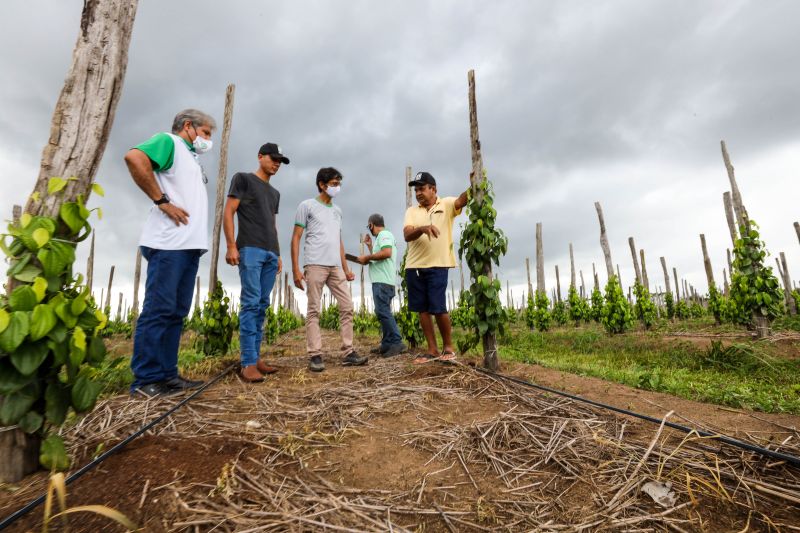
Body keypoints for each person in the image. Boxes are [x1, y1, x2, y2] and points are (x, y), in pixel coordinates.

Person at [124, 109, 217, 397]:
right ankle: (145, 379)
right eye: (206, 133)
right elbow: (134, 158)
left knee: (176, 312)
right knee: (159, 310)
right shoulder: (169, 142)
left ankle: (167, 374)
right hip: (169, 244)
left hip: (188, 246)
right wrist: (162, 201)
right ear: (188, 126)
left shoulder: (190, 156)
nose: (207, 140)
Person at [223, 143, 290, 383]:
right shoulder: (243, 179)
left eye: (280, 161)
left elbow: (272, 224)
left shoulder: (275, 194)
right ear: (260, 156)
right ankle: (248, 362)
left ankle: (256, 358)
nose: (277, 164)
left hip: (270, 253)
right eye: (274, 158)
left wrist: (279, 254)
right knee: (250, 303)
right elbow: (228, 211)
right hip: (250, 249)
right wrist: (231, 245)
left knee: (262, 305)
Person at [291, 167, 368, 372]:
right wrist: (296, 269)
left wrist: (345, 267)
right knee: (314, 309)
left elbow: (338, 241)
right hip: (315, 264)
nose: (337, 187)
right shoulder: (306, 206)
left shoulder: (337, 211)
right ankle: (315, 355)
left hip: (335, 267)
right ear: (321, 185)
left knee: (347, 306)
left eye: (338, 184)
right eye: (334, 184)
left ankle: (348, 351)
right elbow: (296, 237)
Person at [403, 171, 468, 364]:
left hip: (438, 265)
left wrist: (473, 185)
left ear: (434, 189)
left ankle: (448, 347)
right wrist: (423, 228)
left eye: (422, 188)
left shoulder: (446, 204)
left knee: (438, 307)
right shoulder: (412, 212)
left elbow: (462, 201)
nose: (418, 193)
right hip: (414, 265)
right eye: (416, 190)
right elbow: (407, 235)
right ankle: (432, 349)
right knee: (422, 309)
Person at [357, 214, 406, 357]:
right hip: (383, 281)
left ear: (372, 224)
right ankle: (387, 344)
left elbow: (386, 253)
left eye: (369, 226)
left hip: (383, 281)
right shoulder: (382, 238)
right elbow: (380, 255)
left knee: (382, 311)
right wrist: (370, 247)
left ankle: (397, 342)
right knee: (383, 312)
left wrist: (367, 257)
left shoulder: (384, 234)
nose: (369, 229)